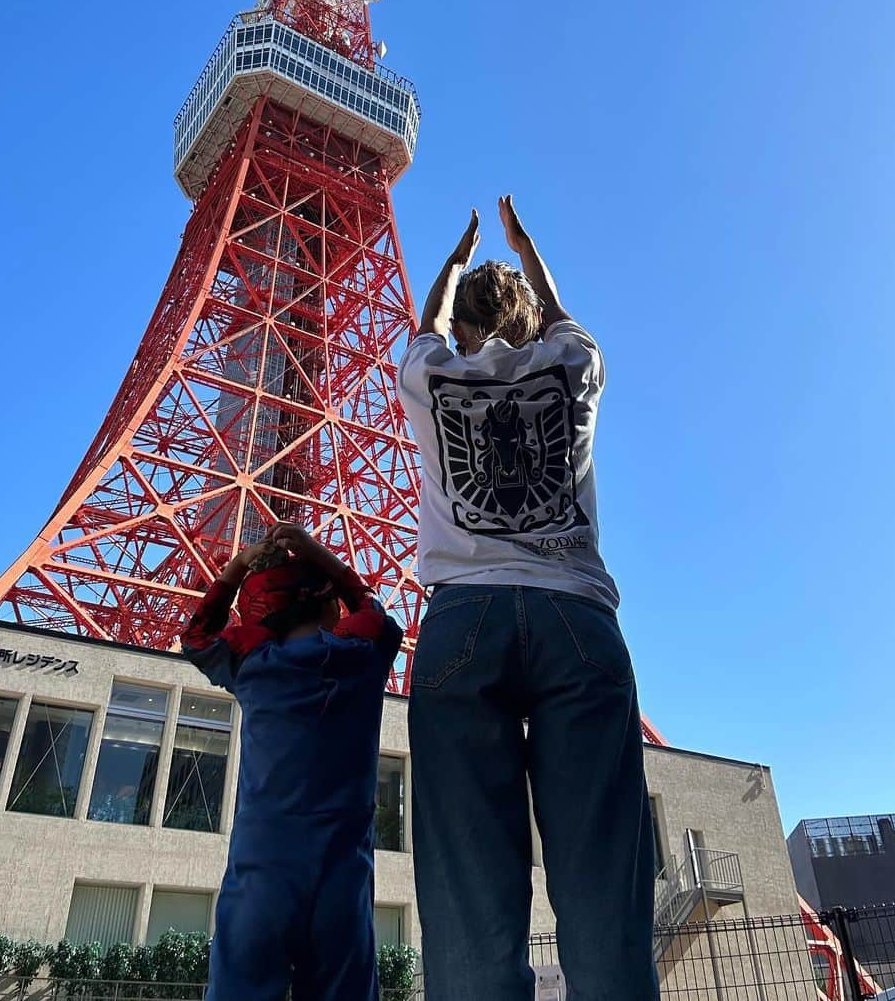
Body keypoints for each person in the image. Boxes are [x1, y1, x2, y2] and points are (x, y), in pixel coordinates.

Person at [397, 195, 659, 1001]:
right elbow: (563, 315)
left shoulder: (429, 374)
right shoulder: (573, 366)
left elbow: (425, 321)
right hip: (575, 615)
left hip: (461, 617)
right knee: (602, 882)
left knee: (469, 895)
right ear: (534, 320)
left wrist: (454, 260)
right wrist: (526, 245)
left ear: (463, 331)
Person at [180, 522, 403, 1001]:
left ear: (257, 615)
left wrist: (238, 568)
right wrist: (322, 557)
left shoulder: (252, 666)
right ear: (326, 601)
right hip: (341, 879)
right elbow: (374, 614)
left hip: (262, 874)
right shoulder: (361, 658)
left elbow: (196, 637)